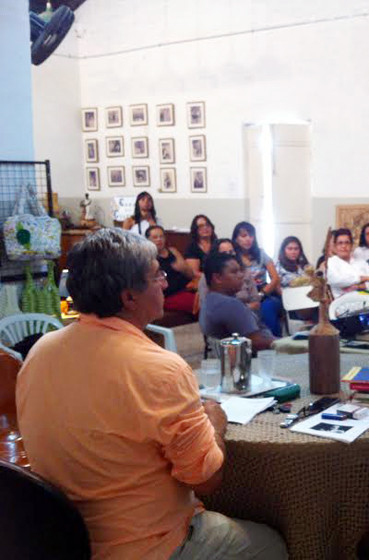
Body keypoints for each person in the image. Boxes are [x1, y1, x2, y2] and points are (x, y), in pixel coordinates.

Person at [16, 228, 287, 559]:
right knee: (272, 542)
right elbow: (207, 479)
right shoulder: (160, 369)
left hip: (63, 540)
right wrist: (215, 420)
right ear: (129, 296)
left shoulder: (40, 352)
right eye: (157, 275)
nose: (164, 282)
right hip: (148, 545)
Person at [199, 252, 274, 351]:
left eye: (241, 270)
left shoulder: (209, 301)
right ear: (217, 278)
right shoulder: (230, 305)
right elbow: (256, 343)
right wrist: (282, 342)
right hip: (260, 358)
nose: (241, 275)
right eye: (234, 272)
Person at [232, 222, 283, 337]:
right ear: (236, 239)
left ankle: (274, 340)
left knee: (267, 308)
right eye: (244, 236)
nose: (248, 239)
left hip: (264, 292)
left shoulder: (260, 253)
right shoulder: (232, 256)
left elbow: (275, 278)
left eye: (251, 236)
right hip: (242, 293)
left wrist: (261, 294)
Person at [146, 225, 196, 314]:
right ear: (148, 240)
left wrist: (183, 268)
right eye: (155, 237)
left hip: (186, 289)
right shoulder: (149, 258)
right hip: (169, 295)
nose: (159, 240)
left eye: (161, 236)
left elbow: (191, 275)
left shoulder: (173, 251)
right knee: (200, 303)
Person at [326, 228, 369, 299]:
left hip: (366, 301)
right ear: (335, 246)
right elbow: (337, 280)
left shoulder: (360, 261)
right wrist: (364, 278)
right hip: (343, 304)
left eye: (347, 242)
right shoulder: (331, 262)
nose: (344, 246)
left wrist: (358, 286)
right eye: (340, 243)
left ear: (351, 245)